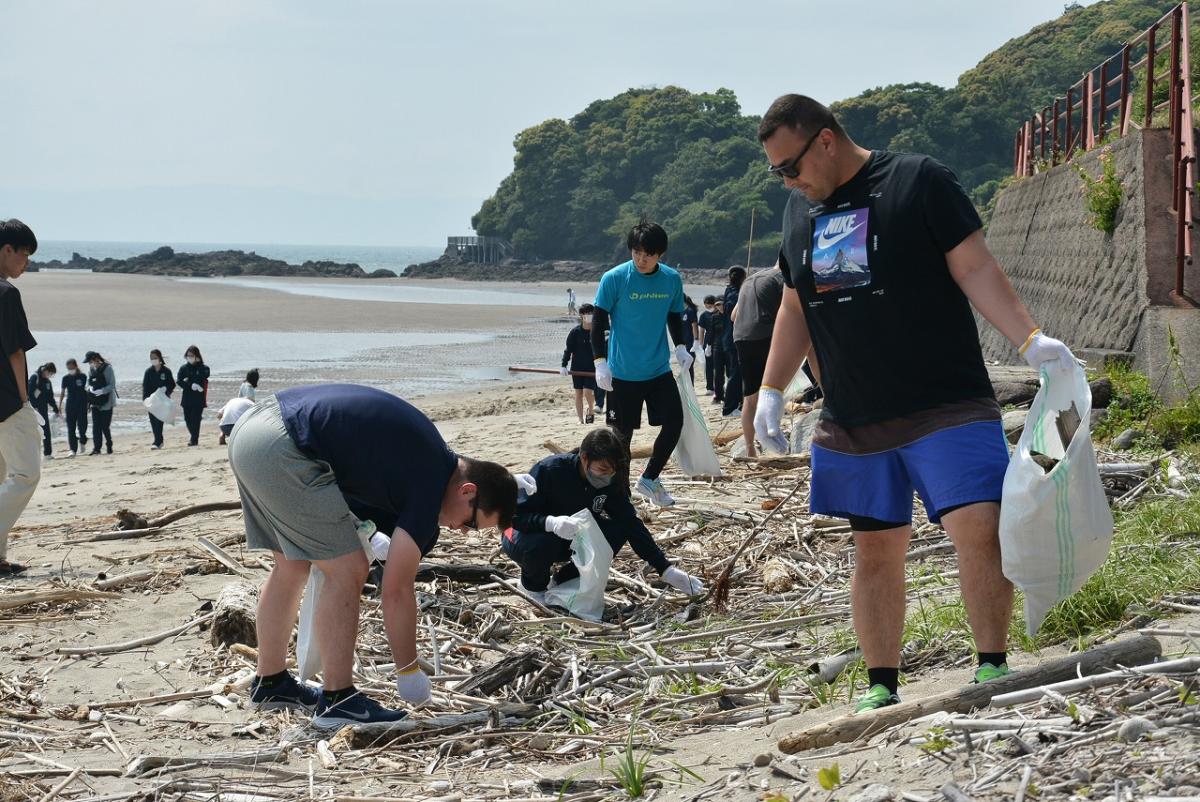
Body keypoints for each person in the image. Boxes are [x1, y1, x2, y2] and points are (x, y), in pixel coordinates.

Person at [753, 94, 1079, 713]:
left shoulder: (918, 180)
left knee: (977, 528)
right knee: (875, 549)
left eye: (789, 167)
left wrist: (1029, 337)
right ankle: (882, 682)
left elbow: (975, 266)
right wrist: (772, 388)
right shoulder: (801, 215)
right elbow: (796, 303)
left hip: (945, 400)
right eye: (779, 174)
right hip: (854, 414)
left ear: (825, 140)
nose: (789, 182)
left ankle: (991, 667)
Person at [227, 383, 518, 728]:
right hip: (283, 444)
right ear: (467, 491)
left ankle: (271, 683)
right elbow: (396, 591)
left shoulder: (427, 459)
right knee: (348, 569)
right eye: (470, 522)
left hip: (251, 431)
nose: (462, 531)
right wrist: (408, 669)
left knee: (292, 565)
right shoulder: (431, 482)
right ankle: (338, 700)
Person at [503, 427, 704, 604]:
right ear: (584, 458)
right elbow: (514, 517)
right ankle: (533, 588)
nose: (606, 476)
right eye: (602, 470)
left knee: (618, 530)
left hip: (570, 538)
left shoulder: (610, 482)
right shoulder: (550, 470)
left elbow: (630, 523)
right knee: (543, 543)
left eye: (612, 472)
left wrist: (665, 569)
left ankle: (562, 579)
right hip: (524, 537)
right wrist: (550, 522)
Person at [591, 221, 692, 507]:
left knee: (675, 423)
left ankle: (649, 479)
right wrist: (600, 362)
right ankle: (620, 493)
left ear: (660, 254)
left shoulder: (671, 279)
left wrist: (682, 346)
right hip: (622, 373)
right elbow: (598, 322)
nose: (641, 259)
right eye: (636, 252)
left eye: (648, 254)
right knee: (621, 438)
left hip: (658, 369)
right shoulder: (614, 278)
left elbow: (675, 315)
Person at [0, 219, 42, 577]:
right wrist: (25, 398)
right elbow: (16, 352)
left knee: (1, 478)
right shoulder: (6, 293)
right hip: (7, 401)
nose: (26, 262)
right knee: (26, 474)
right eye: (24, 254)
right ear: (6, 249)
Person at [732, 265, 785, 458]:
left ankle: (750, 448)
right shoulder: (781, 279)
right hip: (764, 335)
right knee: (773, 390)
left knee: (750, 397)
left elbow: (733, 316)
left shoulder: (750, 279)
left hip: (741, 338)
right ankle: (774, 439)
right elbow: (789, 314)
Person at [561, 303, 600, 424]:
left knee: (588, 392)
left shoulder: (597, 331)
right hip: (577, 368)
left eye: (591, 313)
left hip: (592, 368)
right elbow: (568, 349)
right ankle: (580, 419)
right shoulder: (575, 332)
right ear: (581, 316)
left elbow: (604, 349)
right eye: (586, 313)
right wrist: (563, 365)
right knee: (578, 393)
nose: (589, 316)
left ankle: (591, 410)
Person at [721, 266, 747, 418]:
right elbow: (733, 315)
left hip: (730, 337)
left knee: (737, 372)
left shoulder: (729, 290)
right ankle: (729, 408)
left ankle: (736, 404)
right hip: (732, 337)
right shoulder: (734, 294)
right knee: (735, 373)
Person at [177, 345, 210, 447]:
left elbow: (205, 374)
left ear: (197, 356)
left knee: (196, 419)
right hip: (187, 397)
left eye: (192, 355)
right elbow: (179, 381)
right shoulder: (183, 368)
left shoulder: (203, 368)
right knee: (187, 419)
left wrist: (193, 380)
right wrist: (190, 385)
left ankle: (194, 440)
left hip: (198, 399)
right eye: (188, 355)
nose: (190, 357)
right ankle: (193, 436)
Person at [142, 349, 175, 450]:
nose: (153, 360)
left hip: (162, 400)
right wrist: (145, 400)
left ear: (160, 358)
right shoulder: (148, 372)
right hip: (152, 400)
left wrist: (166, 389)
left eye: (155, 358)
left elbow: (172, 384)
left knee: (159, 420)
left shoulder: (166, 371)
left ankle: (158, 441)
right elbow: (145, 387)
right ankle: (158, 440)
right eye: (151, 358)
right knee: (153, 420)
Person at [85, 351, 116, 455]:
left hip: (107, 402)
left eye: (90, 361)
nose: (90, 364)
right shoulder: (91, 369)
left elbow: (112, 385)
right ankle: (96, 448)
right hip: (94, 402)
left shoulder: (108, 368)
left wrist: (102, 391)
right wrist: (89, 388)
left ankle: (109, 445)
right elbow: (88, 382)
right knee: (96, 427)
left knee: (105, 426)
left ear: (95, 359)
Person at [28, 363, 59, 459]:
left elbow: (50, 397)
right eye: (50, 373)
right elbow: (29, 393)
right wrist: (35, 407)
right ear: (46, 370)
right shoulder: (35, 377)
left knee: (46, 431)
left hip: (43, 410)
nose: (50, 376)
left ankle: (47, 453)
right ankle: (31, 454)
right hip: (34, 410)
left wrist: (55, 408)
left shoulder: (47, 382)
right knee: (32, 432)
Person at [59, 359, 89, 456]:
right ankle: (73, 450)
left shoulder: (83, 377)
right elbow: (63, 392)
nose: (70, 370)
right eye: (68, 368)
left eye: (72, 368)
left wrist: (89, 404)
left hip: (82, 404)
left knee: (82, 426)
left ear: (76, 366)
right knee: (71, 428)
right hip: (70, 405)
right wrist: (59, 405)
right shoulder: (65, 378)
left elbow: (87, 391)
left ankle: (82, 440)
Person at [707, 299, 729, 405]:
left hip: (729, 347)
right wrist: (708, 346)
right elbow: (711, 332)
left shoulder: (730, 316)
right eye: (717, 305)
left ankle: (730, 395)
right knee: (718, 373)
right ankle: (718, 396)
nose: (720, 306)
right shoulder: (714, 317)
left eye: (721, 304)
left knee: (731, 372)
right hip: (717, 347)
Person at [697, 296, 717, 395]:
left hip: (718, 342)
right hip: (707, 341)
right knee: (708, 366)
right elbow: (701, 330)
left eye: (708, 304)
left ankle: (719, 386)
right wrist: (700, 345)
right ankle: (710, 387)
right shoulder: (704, 315)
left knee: (718, 365)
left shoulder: (719, 313)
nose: (707, 306)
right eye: (706, 305)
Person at [681, 295, 700, 384]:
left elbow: (694, 325)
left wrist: (696, 340)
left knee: (689, 364)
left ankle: (690, 386)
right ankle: (686, 385)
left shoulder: (690, 311)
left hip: (690, 342)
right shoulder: (680, 311)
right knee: (683, 364)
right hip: (681, 343)